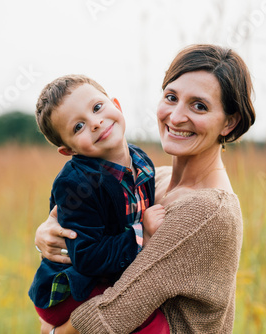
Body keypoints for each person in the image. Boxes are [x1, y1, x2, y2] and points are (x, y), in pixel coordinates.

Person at [35, 44, 256, 333]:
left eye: (199, 106)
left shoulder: (207, 211)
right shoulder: (154, 179)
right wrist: (49, 235)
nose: (176, 117)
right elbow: (93, 234)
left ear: (229, 123)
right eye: (172, 97)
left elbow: (116, 312)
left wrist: (51, 331)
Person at [28, 74, 169, 333]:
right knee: (153, 324)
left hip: (105, 274)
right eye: (78, 127)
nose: (95, 122)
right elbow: (86, 257)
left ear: (116, 104)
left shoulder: (141, 161)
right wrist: (143, 233)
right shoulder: (76, 184)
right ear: (68, 150)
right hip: (71, 287)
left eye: (97, 108)